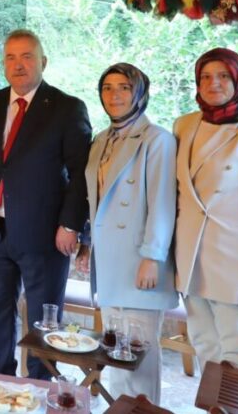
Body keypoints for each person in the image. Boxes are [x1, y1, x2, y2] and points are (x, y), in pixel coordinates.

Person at [0, 29, 91, 379]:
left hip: (44, 236)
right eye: (11, 58)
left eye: (27, 56)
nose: (18, 65)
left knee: (43, 319)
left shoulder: (67, 108)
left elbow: (81, 173)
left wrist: (70, 225)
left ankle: (40, 383)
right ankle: (0, 377)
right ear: (4, 64)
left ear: (43, 61)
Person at [173, 48, 238, 379]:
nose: (213, 83)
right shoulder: (184, 125)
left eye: (222, 76)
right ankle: (214, 405)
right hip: (193, 265)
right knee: (207, 351)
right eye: (205, 77)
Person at [73, 63, 176, 403]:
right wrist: (87, 245)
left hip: (139, 260)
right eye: (107, 87)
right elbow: (97, 202)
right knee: (114, 353)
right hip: (109, 261)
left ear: (140, 93)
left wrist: (153, 257)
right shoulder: (101, 140)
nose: (114, 95)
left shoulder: (157, 139)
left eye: (124, 87)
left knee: (138, 355)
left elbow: (162, 202)